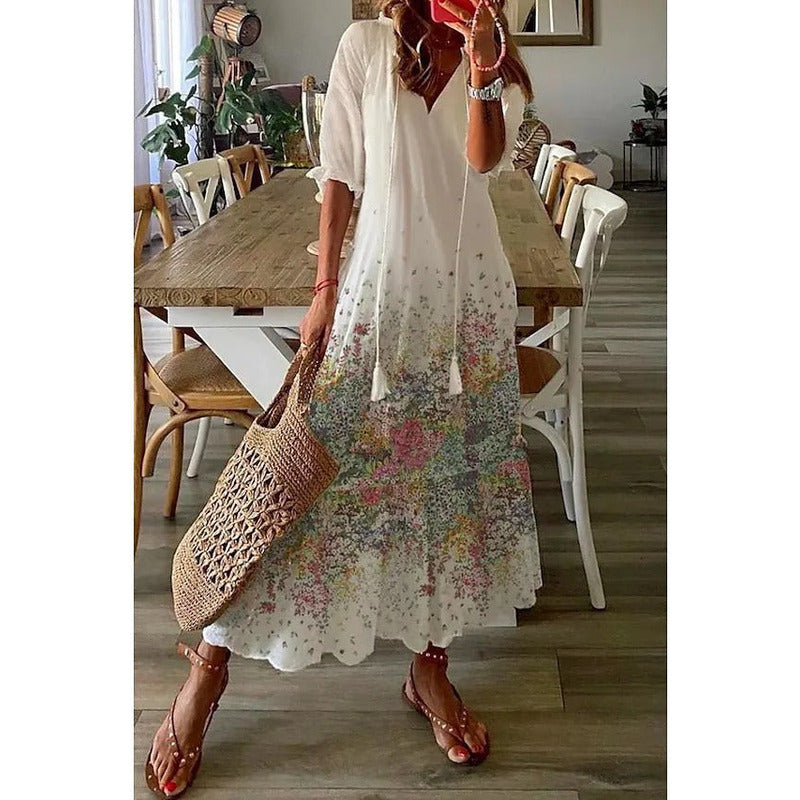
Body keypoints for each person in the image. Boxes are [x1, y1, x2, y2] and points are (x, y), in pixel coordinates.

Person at [145, 1, 541, 795]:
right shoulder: (365, 45)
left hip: (468, 308)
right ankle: (209, 666)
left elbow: (481, 162)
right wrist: (324, 288)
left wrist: (484, 71)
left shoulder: (498, 56)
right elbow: (339, 178)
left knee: (447, 497)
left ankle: (429, 669)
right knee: (298, 486)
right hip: (374, 300)